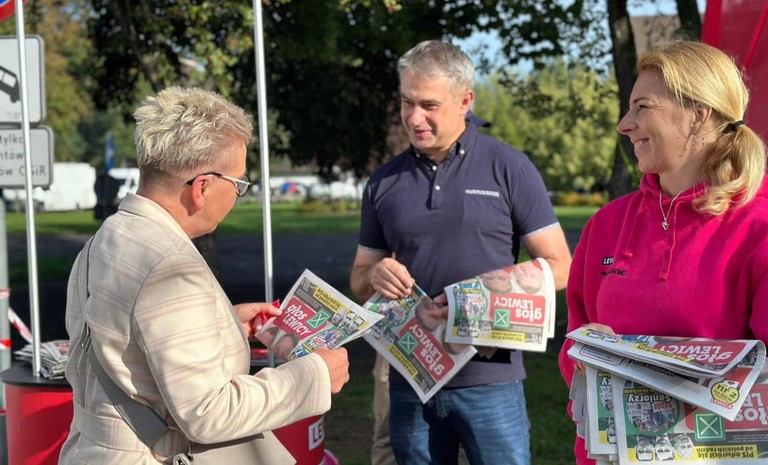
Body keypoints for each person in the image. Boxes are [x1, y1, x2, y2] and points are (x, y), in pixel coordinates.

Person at [59, 87, 350, 465]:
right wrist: (316, 376)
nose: (238, 195)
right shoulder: (172, 267)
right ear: (202, 187)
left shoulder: (106, 239)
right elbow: (208, 413)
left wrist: (222, 323)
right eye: (239, 184)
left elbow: (128, 344)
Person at [350, 40, 572, 465]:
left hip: (490, 378)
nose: (414, 117)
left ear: (465, 101)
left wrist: (475, 301)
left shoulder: (509, 167)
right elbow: (359, 279)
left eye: (429, 105)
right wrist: (374, 275)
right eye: (407, 102)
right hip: (411, 375)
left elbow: (560, 267)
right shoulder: (383, 182)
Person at [558, 40, 768, 465]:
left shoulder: (758, 226)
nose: (624, 124)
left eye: (642, 107)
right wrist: (585, 354)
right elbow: (574, 338)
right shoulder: (606, 225)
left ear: (699, 114)